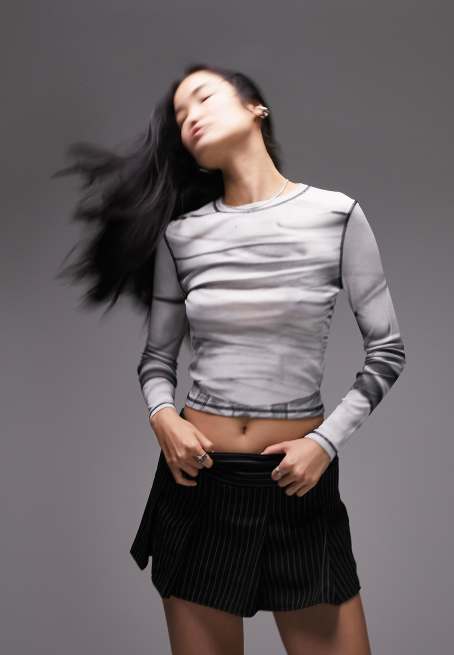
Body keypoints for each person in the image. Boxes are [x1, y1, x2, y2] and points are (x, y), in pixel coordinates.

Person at [54, 62, 406, 655]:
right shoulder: (181, 236)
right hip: (197, 486)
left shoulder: (337, 215)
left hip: (297, 487)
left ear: (254, 108)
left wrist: (323, 444)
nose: (189, 117)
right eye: (179, 115)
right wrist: (163, 418)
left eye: (202, 97)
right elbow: (157, 359)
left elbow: (387, 351)